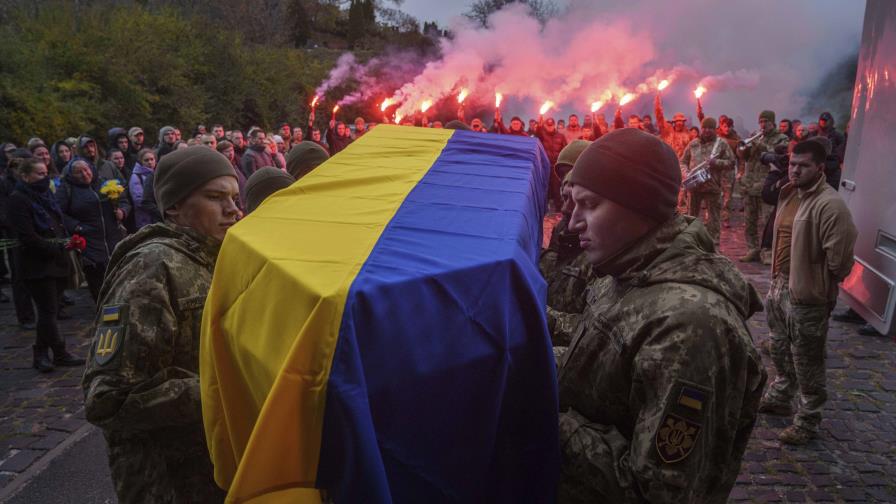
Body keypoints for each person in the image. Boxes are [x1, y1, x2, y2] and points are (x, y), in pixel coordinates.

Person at [550, 128, 766, 502]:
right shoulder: (625, 271)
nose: (573, 223)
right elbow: (600, 367)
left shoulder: (692, 328)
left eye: (591, 205)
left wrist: (536, 411)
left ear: (639, 206)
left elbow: (655, 491)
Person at [82, 146, 241, 503]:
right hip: (168, 480)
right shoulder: (151, 267)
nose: (232, 209)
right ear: (174, 206)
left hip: (213, 468)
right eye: (216, 197)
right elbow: (108, 399)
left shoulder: (216, 256)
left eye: (234, 196)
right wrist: (225, 393)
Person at [758, 140, 857, 445]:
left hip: (808, 296)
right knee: (779, 346)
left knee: (808, 359)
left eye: (803, 165)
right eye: (792, 164)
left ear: (820, 168)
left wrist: (815, 281)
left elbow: (840, 262)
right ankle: (781, 392)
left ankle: (808, 419)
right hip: (779, 287)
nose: (795, 170)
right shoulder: (789, 193)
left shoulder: (830, 204)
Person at [8, 158, 85, 372]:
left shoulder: (45, 194)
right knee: (48, 310)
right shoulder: (18, 199)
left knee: (48, 311)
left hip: (57, 260)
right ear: (25, 176)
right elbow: (27, 236)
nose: (45, 177)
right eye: (40, 174)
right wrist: (56, 247)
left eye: (46, 173)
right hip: (37, 265)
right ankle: (60, 351)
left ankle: (41, 353)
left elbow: (57, 220)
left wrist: (69, 240)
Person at [56, 159, 126, 301]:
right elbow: (58, 213)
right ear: (71, 174)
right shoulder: (66, 188)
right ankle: (104, 316)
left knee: (119, 281)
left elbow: (124, 200)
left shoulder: (103, 182)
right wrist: (76, 226)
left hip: (113, 239)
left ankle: (121, 315)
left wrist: (122, 211)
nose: (84, 174)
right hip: (89, 243)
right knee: (99, 285)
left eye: (86, 169)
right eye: (79, 172)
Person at [739, 110, 790, 263]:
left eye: (766, 122)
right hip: (749, 184)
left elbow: (779, 158)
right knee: (749, 221)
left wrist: (761, 145)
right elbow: (744, 157)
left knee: (768, 221)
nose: (763, 124)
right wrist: (745, 148)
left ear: (773, 122)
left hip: (766, 185)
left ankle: (768, 252)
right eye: (761, 121)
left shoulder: (782, 138)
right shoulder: (756, 134)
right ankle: (752, 249)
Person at [681, 117, 735, 246]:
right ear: (701, 128)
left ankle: (712, 242)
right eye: (704, 127)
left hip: (712, 186)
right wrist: (685, 173)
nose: (707, 130)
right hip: (694, 186)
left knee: (713, 218)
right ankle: (691, 241)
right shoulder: (693, 143)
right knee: (691, 216)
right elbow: (683, 161)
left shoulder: (721, 144)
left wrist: (716, 162)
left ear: (715, 129)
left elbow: (731, 162)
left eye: (710, 128)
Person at [717, 115, 741, 228]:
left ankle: (726, 218)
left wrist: (740, 171)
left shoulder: (736, 140)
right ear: (721, 126)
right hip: (715, 171)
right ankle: (712, 217)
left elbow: (741, 158)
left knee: (727, 197)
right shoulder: (715, 137)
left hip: (728, 172)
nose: (727, 129)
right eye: (725, 126)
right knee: (713, 196)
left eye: (729, 126)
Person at [129, 149, 160, 230]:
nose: (150, 162)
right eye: (146, 160)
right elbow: (138, 200)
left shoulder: (156, 173)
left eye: (152, 159)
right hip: (145, 218)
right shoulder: (136, 176)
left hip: (157, 216)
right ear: (141, 161)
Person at [816, 111, 846, 189]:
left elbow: (843, 149)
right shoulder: (815, 134)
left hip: (833, 169)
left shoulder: (837, 135)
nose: (823, 122)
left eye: (825, 120)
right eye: (822, 120)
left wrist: (838, 161)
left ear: (830, 121)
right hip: (818, 168)